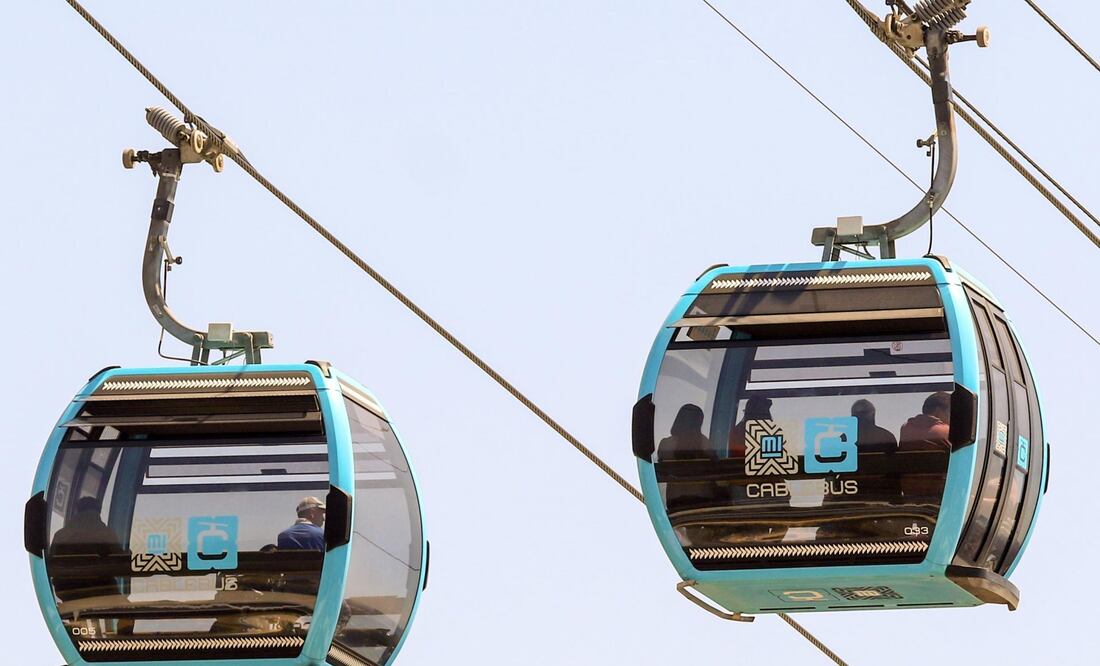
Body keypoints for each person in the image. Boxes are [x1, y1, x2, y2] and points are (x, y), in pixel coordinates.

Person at [49, 496, 126, 603]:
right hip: (103, 590)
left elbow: (51, 566)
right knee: (128, 611)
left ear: (77, 511)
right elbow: (120, 564)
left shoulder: (61, 535)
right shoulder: (106, 534)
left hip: (67, 592)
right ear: (98, 511)